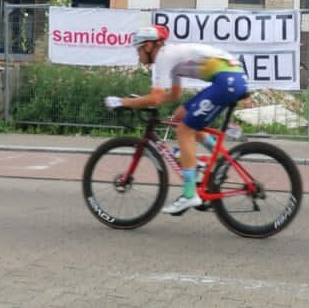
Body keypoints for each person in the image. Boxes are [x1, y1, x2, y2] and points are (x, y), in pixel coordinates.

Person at [104, 25, 248, 215]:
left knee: (184, 130)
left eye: (138, 49)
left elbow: (155, 98)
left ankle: (189, 195)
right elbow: (173, 95)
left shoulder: (163, 56)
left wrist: (122, 102)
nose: (138, 56)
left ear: (148, 46)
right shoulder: (169, 56)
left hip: (227, 81)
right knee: (181, 117)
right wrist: (140, 100)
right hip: (230, 78)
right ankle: (218, 160)